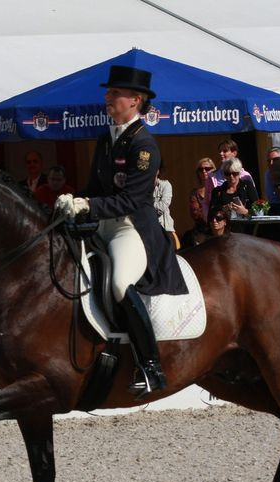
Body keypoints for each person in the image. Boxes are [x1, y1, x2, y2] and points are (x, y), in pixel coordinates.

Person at [55, 64, 187, 395]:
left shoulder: (144, 146)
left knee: (118, 283)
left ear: (136, 100)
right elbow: (95, 185)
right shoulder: (106, 138)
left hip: (130, 228)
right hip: (102, 222)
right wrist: (76, 200)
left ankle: (151, 365)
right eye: (109, 92)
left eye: (114, 93)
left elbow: (132, 199)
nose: (107, 97)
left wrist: (90, 205)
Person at [152, 162, 177, 249]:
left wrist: (146, 205)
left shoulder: (165, 185)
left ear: (157, 171)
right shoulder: (142, 189)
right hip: (149, 231)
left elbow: (162, 206)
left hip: (165, 230)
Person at [265, 146, 280, 214]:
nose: (271, 163)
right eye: (269, 161)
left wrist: (277, 182)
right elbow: (272, 199)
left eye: (275, 160)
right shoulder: (268, 173)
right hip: (274, 207)